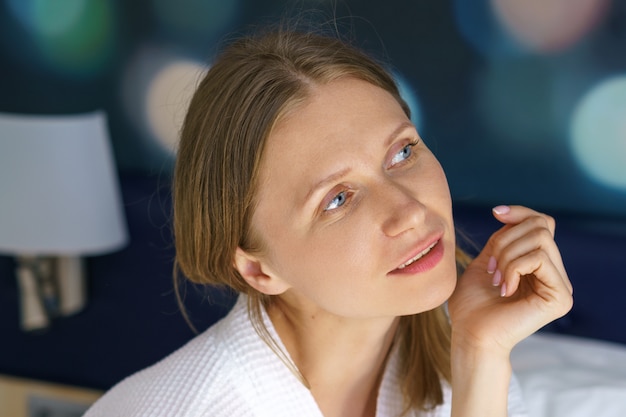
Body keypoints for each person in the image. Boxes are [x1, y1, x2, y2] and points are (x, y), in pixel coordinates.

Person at [84, 26, 573, 417]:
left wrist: (479, 355)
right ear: (259, 270)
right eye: (337, 199)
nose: (409, 211)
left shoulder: (461, 366)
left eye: (403, 152)